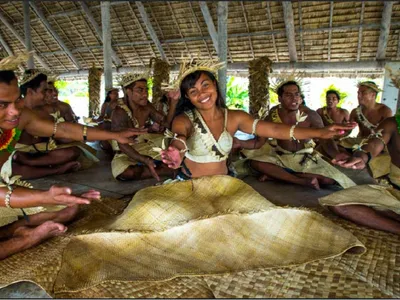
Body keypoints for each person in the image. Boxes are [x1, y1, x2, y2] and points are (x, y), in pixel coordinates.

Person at [0, 54, 141, 259]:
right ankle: (24, 239)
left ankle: (14, 231)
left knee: (69, 210)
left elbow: (63, 130)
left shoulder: (21, 117)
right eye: (2, 105)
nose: (14, 111)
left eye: (17, 101)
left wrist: (115, 135)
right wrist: (44, 197)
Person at [232, 81, 355, 190]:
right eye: (288, 95)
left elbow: (325, 139)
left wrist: (336, 154)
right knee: (254, 163)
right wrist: (240, 142)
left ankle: (278, 176)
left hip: (306, 159)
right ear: (279, 98)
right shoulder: (272, 116)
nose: (294, 98)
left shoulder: (311, 115)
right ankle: (299, 180)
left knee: (330, 180)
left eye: (296, 94)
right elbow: (259, 142)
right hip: (281, 158)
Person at [319, 114, 400, 234]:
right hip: (395, 193)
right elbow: (373, 144)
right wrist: (361, 157)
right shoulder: (392, 123)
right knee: (339, 204)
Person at [12, 70, 98, 179]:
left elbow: (58, 134)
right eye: (44, 91)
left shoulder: (46, 111)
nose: (48, 94)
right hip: (18, 154)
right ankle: (56, 169)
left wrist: (81, 135)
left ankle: (32, 163)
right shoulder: (15, 111)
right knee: (16, 168)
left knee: (73, 152)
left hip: (43, 153)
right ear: (30, 92)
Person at [110, 71, 177, 181]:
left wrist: (173, 102)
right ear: (128, 92)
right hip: (126, 152)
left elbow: (166, 123)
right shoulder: (119, 112)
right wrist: (143, 159)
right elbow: (122, 145)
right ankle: (164, 169)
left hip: (145, 146)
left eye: (146, 90)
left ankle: (156, 167)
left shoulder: (147, 106)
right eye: (140, 90)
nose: (145, 94)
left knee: (175, 146)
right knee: (126, 173)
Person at [338, 81, 393, 178]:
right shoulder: (356, 111)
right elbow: (347, 131)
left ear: (373, 95)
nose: (359, 96)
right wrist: (338, 133)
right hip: (360, 141)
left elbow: (386, 134)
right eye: (358, 93)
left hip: (377, 144)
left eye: (363, 93)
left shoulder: (385, 110)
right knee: (338, 145)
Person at [94, 87, 119, 153]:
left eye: (117, 93)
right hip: (108, 122)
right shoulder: (105, 104)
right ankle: (106, 144)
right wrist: (95, 121)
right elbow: (102, 115)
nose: (117, 94)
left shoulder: (120, 103)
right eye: (114, 93)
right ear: (109, 95)